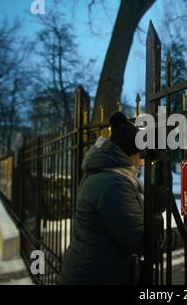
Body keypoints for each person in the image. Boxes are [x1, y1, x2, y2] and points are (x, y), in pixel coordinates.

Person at [58, 112, 144, 285]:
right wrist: (184, 233)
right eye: (139, 155)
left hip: (87, 271)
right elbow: (140, 239)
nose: (141, 162)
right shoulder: (113, 184)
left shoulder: (101, 173)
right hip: (92, 276)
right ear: (130, 155)